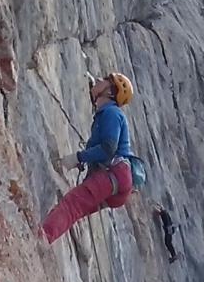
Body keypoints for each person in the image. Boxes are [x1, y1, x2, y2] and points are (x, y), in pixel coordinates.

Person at [41, 72, 137, 244]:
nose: (99, 80)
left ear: (110, 92)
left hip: (115, 174)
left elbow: (109, 147)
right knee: (74, 208)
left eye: (105, 81)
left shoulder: (112, 113)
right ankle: (45, 236)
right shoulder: (106, 114)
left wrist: (78, 157)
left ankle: (42, 237)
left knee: (72, 205)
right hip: (118, 180)